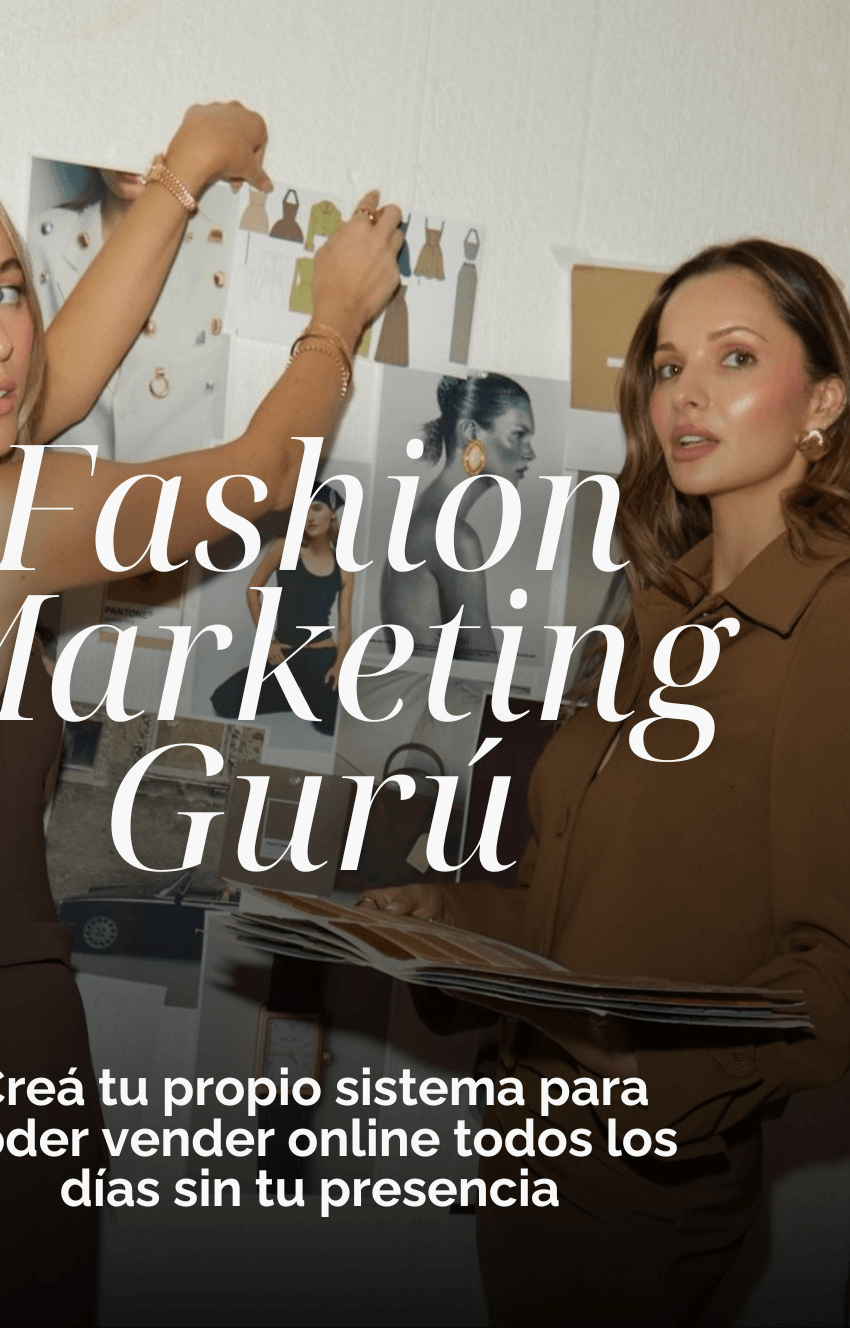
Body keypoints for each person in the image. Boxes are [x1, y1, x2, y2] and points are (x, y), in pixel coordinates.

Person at [0, 100, 401, 1324]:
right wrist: (336, 317)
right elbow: (260, 476)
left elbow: (43, 384)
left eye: (6, 289)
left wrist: (182, 176)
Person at [359, 238, 850, 1326]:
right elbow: (589, 905)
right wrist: (447, 917)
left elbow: (836, 969)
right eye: (668, 367)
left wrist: (648, 1083)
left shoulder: (832, 622)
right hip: (530, 1150)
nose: (686, 394)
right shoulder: (656, 610)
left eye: (734, 358)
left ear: (823, 399)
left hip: (644, 1183)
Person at [29, 163, 231, 460]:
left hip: (182, 484)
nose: (132, 163)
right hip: (59, 482)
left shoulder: (224, 252)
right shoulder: (40, 239)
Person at [379, 371, 536, 659]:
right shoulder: (450, 536)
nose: (530, 453)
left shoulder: (423, 514)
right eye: (518, 435)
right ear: (471, 433)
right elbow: (484, 674)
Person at [210, 482, 354, 736]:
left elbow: (344, 625)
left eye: (317, 508)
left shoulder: (344, 566)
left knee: (328, 726)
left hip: (322, 657)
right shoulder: (284, 547)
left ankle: (305, 695)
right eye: (304, 510)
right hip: (284, 655)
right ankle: (297, 696)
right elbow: (252, 591)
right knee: (224, 701)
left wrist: (340, 663)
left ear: (332, 514)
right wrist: (267, 642)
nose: (309, 517)